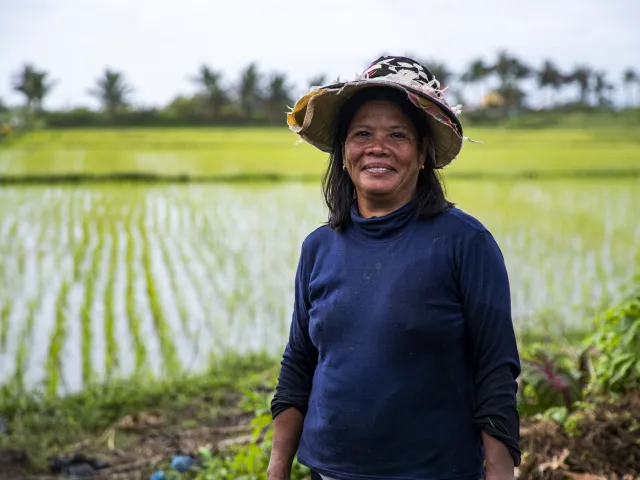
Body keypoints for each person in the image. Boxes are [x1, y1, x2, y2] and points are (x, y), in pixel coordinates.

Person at [268, 56, 521, 480]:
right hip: (329, 471)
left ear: (422, 153)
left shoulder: (466, 243)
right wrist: (277, 471)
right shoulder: (319, 247)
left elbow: (494, 373)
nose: (377, 148)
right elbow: (299, 365)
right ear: (343, 152)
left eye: (397, 135)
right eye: (362, 134)